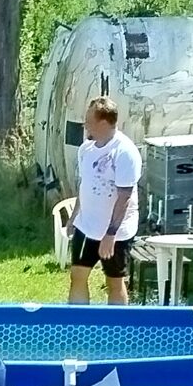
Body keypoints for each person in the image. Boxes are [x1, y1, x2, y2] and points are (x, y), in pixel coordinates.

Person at [68, 97, 143, 306]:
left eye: (88, 120)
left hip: (115, 232)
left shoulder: (125, 152)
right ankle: (78, 323)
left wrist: (110, 234)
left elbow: (125, 196)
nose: (85, 125)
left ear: (102, 123)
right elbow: (85, 186)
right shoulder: (86, 149)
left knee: (114, 282)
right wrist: (74, 217)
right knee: (77, 275)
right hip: (87, 226)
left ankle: (116, 325)